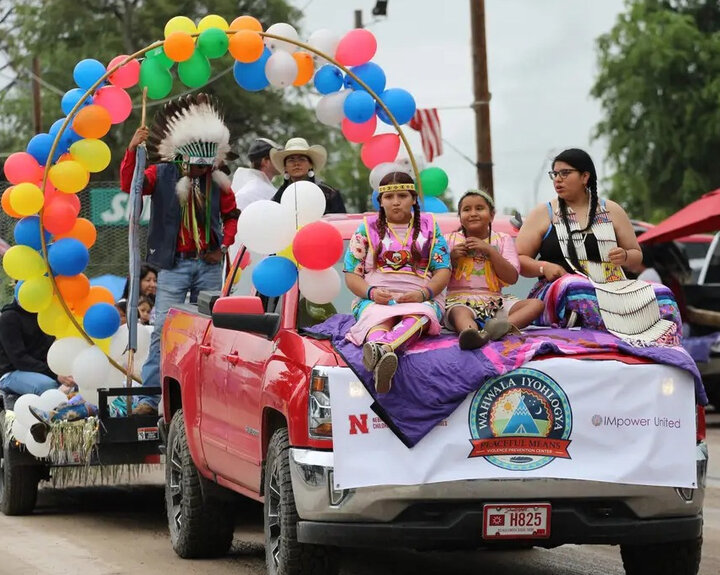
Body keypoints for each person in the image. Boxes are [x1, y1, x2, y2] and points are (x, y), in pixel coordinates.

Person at [120, 93, 239, 415]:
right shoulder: (159, 174)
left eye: (206, 166)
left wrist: (223, 246)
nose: (200, 171)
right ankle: (149, 398)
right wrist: (132, 150)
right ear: (182, 158)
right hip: (173, 265)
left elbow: (232, 216)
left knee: (214, 331)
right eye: (196, 166)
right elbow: (130, 186)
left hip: (209, 265)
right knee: (163, 329)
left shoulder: (219, 181)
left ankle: (209, 399)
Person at [515, 148, 681, 343]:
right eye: (555, 174)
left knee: (662, 294)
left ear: (585, 176)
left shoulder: (611, 210)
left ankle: (662, 342)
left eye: (565, 173)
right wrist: (545, 267)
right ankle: (615, 335)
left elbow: (637, 254)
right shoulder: (544, 213)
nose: (557, 179)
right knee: (576, 287)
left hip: (611, 287)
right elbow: (518, 260)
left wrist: (625, 256)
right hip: (559, 290)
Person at [343, 171, 451, 393]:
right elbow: (352, 274)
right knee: (376, 319)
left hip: (420, 297)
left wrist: (424, 294)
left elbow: (443, 270)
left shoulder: (431, 226)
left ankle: (381, 351)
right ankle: (383, 352)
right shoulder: (365, 228)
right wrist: (371, 293)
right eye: (389, 197)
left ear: (413, 199)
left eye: (402, 195)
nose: (395, 202)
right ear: (380, 201)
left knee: (421, 314)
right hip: (375, 298)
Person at [445, 190, 544, 349]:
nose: (473, 213)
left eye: (479, 208)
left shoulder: (503, 239)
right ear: (460, 217)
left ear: (492, 215)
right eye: (467, 209)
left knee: (536, 304)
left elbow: (512, 277)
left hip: (496, 302)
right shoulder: (449, 240)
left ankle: (500, 328)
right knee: (459, 313)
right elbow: (435, 275)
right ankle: (471, 334)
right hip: (460, 301)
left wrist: (490, 251)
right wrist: (451, 258)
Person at [0, 299, 75, 397]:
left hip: (42, 369)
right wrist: (55, 375)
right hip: (12, 372)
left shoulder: (44, 315)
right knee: (47, 386)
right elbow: (19, 359)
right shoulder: (9, 318)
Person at [229, 137, 282, 262]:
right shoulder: (253, 191)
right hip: (250, 263)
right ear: (265, 161)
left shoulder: (252, 188)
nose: (281, 162)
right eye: (276, 158)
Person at [270, 137, 346, 213]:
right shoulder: (278, 197)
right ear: (285, 167)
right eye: (291, 160)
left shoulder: (329, 194)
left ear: (310, 165)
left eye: (302, 159)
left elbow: (340, 221)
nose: (296, 163)